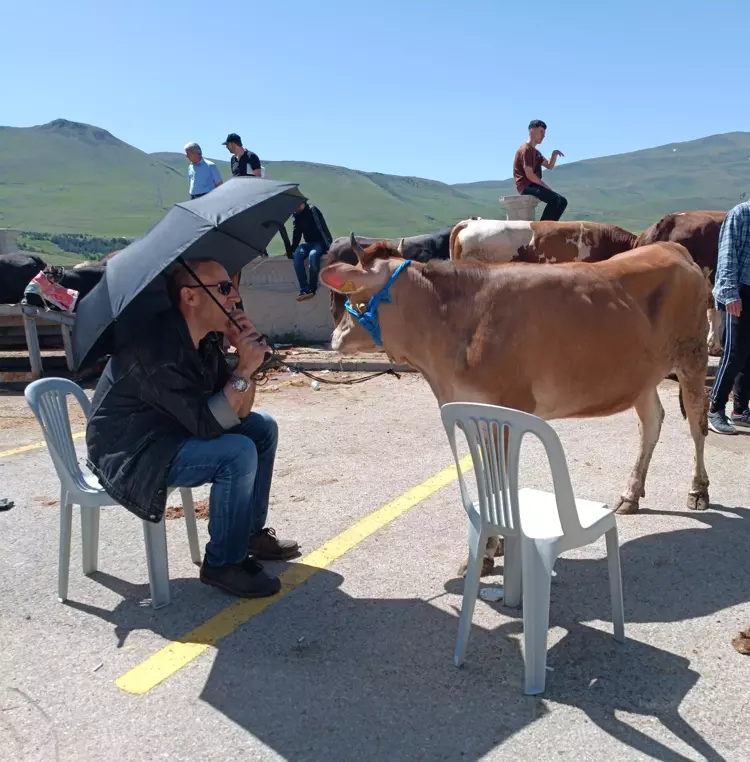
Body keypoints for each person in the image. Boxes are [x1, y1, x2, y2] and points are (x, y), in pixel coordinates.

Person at [86, 259, 299, 598]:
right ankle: (222, 564)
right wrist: (243, 368)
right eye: (224, 289)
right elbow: (209, 425)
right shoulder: (156, 349)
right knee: (237, 453)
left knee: (262, 429)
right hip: (134, 454)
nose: (235, 297)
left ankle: (247, 535)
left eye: (234, 287)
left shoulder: (202, 340)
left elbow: (237, 414)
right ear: (190, 297)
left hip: (170, 432)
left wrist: (248, 364)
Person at [707, 200, 750, 435]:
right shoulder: (741, 214)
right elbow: (727, 255)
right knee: (734, 354)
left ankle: (741, 411)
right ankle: (715, 409)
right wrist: (730, 293)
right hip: (739, 292)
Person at [512, 119, 567, 221]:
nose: (543, 135)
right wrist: (545, 186)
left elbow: (549, 166)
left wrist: (554, 155)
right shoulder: (525, 149)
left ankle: (550, 227)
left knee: (562, 201)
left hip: (533, 185)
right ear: (532, 130)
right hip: (526, 186)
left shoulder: (536, 152)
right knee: (555, 199)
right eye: (541, 132)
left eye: (544, 133)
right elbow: (529, 174)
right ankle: (542, 228)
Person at [289, 200, 333, 301]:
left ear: (302, 202)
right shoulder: (296, 215)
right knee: (297, 255)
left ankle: (312, 288)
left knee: (313, 256)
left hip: (320, 241)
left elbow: (321, 227)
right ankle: (304, 289)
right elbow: (297, 233)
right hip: (308, 243)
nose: (296, 208)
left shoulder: (312, 210)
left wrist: (328, 246)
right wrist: (293, 248)